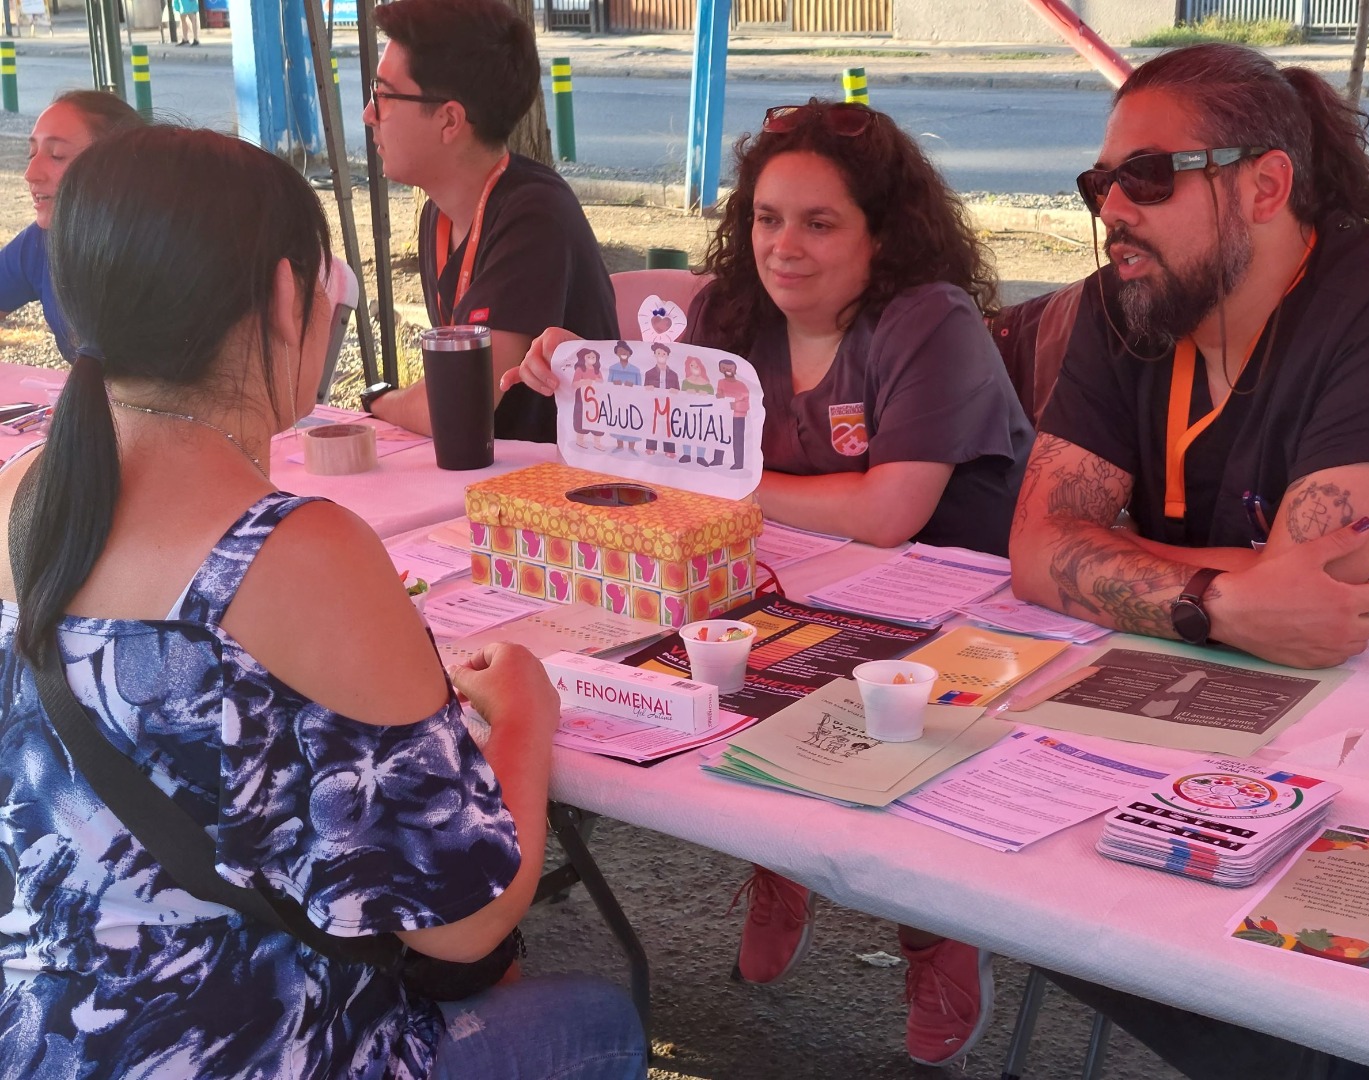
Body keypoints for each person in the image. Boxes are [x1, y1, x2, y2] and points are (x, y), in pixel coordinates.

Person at [0, 124, 646, 1080]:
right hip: (252, 1051)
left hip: (52, 1038)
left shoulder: (21, 489)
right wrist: (526, 718)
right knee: (602, 1022)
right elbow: (464, 929)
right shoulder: (297, 551)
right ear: (283, 294)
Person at [507, 98, 1035, 1067]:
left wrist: (724, 477)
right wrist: (573, 376)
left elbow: (887, 516)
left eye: (819, 222)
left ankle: (935, 932)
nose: (782, 246)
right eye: (765, 217)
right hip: (788, 584)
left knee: (884, 740)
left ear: (886, 233)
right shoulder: (726, 313)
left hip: (956, 612)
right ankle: (779, 859)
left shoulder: (929, 320)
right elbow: (655, 431)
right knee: (707, 674)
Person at [1008, 42, 1369, 1080]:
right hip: (1203, 728)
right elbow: (1034, 545)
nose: (1115, 208)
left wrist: (1111, 551)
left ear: (1264, 185)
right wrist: (1223, 593)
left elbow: (1317, 592)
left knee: (1307, 1024)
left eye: (1147, 177)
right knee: (1011, 872)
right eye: (1100, 182)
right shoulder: (1129, 303)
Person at [360, 0, 618, 443]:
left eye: (382, 96)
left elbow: (456, 406)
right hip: (494, 481)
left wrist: (378, 401)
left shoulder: (535, 215)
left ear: (449, 120)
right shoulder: (440, 213)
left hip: (563, 495)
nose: (369, 115)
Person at [0, 90, 143, 362]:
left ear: (118, 168)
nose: (31, 174)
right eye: (32, 154)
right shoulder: (41, 242)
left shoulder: (169, 249)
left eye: (56, 155)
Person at [570, 345, 604, 448]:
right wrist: (584, 382)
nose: (591, 359)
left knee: (597, 418)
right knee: (581, 417)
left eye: (593, 357)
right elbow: (574, 384)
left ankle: (597, 443)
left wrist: (598, 382)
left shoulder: (598, 370)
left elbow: (602, 382)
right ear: (583, 358)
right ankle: (580, 440)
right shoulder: (580, 369)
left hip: (596, 397)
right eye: (589, 357)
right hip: (582, 397)